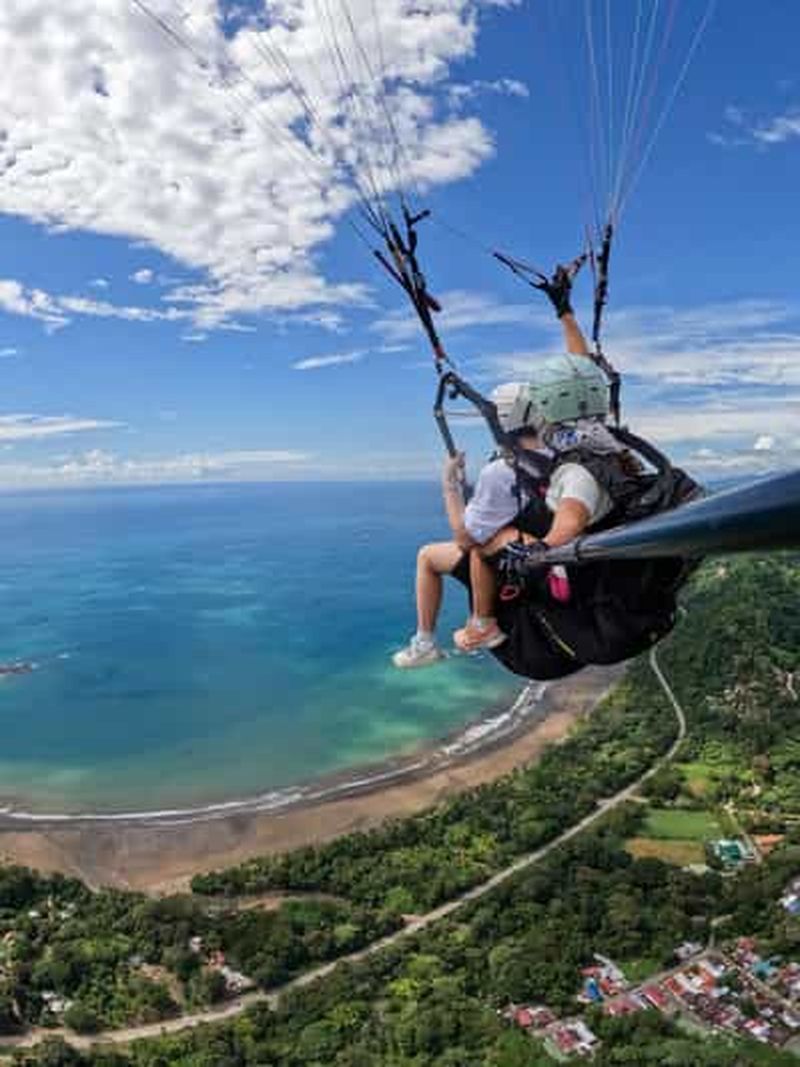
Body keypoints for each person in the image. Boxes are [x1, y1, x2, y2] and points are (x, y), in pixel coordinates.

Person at [392, 258, 619, 669]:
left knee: (438, 554)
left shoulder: (504, 471)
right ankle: (459, 629)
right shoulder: (571, 441)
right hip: (558, 548)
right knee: (456, 548)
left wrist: (450, 485)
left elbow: (466, 539)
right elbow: (581, 371)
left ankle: (453, 632)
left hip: (531, 559)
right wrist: (564, 310)